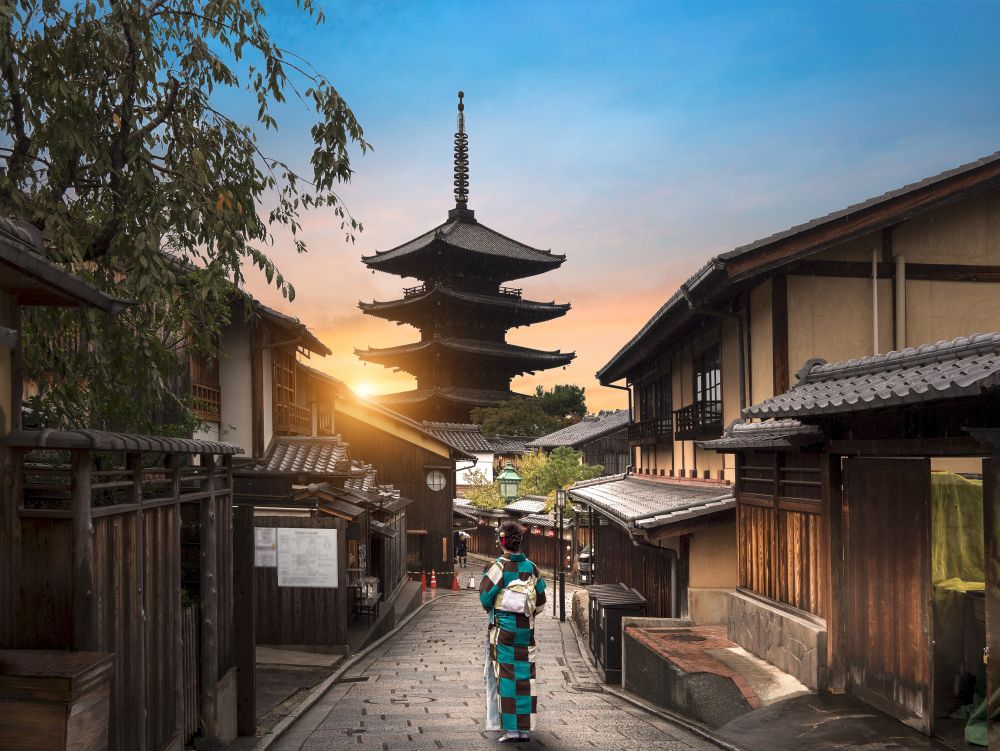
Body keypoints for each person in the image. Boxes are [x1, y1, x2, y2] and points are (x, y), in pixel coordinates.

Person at [479, 520, 546, 743]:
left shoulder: (498, 567)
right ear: (520, 542)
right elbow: (541, 602)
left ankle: (511, 730)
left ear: (502, 541)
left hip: (503, 632)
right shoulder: (532, 568)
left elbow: (485, 598)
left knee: (506, 677)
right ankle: (525, 730)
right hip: (526, 632)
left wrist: (499, 607)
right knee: (525, 678)